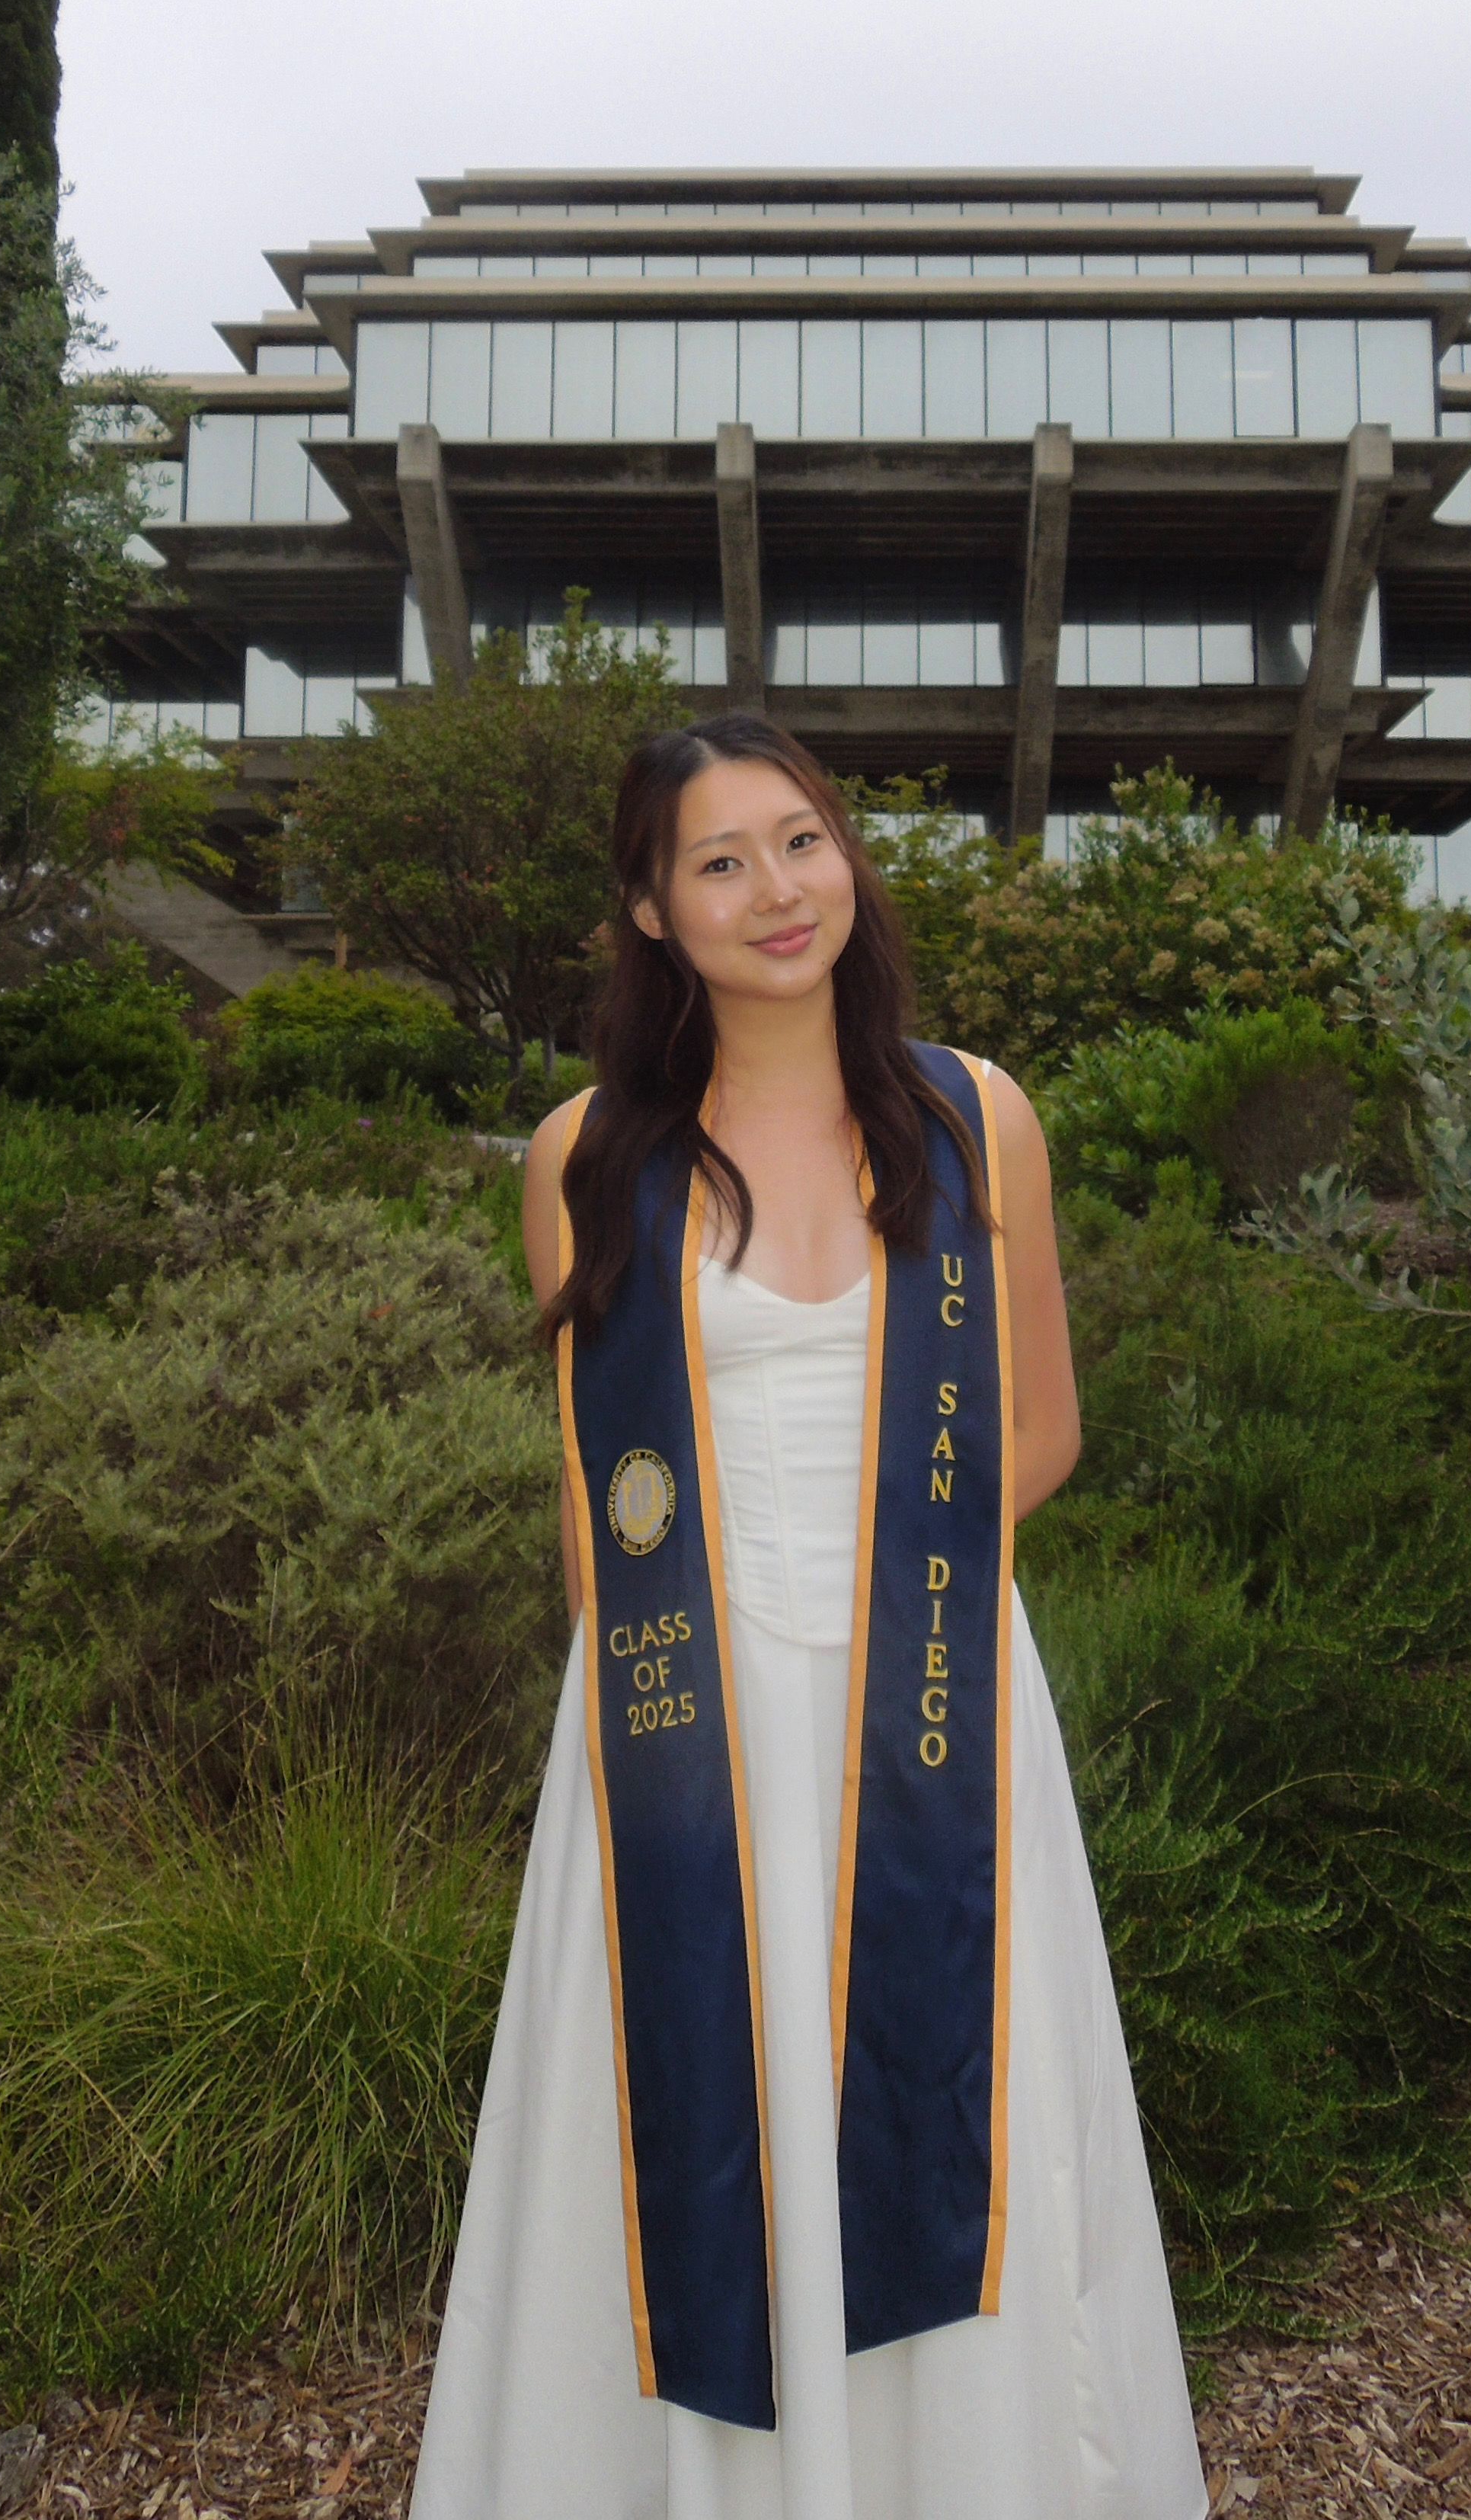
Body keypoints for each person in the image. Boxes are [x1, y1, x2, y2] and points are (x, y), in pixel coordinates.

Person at [410, 713, 1207, 2520]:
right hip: (683, 1739)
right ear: (647, 909)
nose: (776, 890)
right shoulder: (582, 1159)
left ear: (845, 857)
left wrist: (886, 1593)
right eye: (718, 859)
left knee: (954, 2139)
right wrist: (664, 1751)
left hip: (933, 1717)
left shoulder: (966, 1114)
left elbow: (1043, 1425)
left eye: (799, 840)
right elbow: (587, 1503)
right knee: (682, 2141)